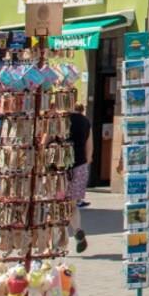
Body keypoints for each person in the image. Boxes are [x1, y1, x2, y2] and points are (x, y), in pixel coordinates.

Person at [66, 99, 92, 253]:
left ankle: (58, 242)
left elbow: (44, 142)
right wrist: (84, 163)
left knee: (57, 206)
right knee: (72, 204)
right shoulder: (85, 122)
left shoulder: (60, 120)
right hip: (80, 167)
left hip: (60, 169)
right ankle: (77, 230)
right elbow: (90, 150)